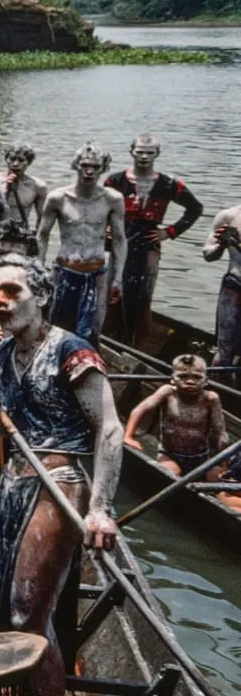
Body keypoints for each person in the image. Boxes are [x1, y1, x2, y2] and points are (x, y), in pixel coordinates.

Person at [0, 254, 123, 696]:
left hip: (61, 484)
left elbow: (110, 429)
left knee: (29, 612)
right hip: (16, 484)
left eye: (13, 291)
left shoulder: (72, 353)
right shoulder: (6, 354)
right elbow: (3, 427)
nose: (2, 301)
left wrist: (100, 509)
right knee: (9, 605)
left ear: (43, 296)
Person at [104, 133, 202, 344]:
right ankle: (108, 338)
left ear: (157, 154)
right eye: (140, 152)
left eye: (150, 153)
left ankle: (133, 342)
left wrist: (169, 232)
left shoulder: (168, 184)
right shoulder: (115, 181)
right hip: (119, 243)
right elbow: (100, 208)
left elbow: (195, 208)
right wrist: (105, 229)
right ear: (131, 152)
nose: (144, 157)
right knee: (112, 292)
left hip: (148, 245)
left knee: (142, 296)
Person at [37, 143, 125, 344]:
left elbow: (120, 240)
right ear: (76, 166)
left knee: (93, 333)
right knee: (57, 331)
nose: (89, 171)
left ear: (103, 169)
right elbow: (42, 235)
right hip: (64, 272)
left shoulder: (112, 199)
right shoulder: (58, 198)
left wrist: (118, 278)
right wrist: (40, 268)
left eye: (95, 166)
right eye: (85, 165)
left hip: (96, 275)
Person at [125, 354, 226, 477]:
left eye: (196, 377)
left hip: (201, 457)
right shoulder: (168, 392)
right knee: (171, 474)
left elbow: (221, 434)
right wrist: (128, 436)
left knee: (217, 480)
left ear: (205, 380)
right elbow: (140, 409)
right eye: (183, 376)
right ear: (172, 378)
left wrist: (224, 465)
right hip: (169, 454)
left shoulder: (210, 398)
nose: (190, 381)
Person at [204, 201, 241, 385]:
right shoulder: (228, 216)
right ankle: (220, 396)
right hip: (234, 287)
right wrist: (221, 244)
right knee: (225, 350)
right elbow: (208, 254)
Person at [0, 143, 46, 249]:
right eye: (12, 159)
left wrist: (37, 243)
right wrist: (6, 190)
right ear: (6, 159)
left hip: (20, 234)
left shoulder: (37, 186)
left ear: (29, 162)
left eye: (21, 160)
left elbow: (42, 218)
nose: (16, 164)